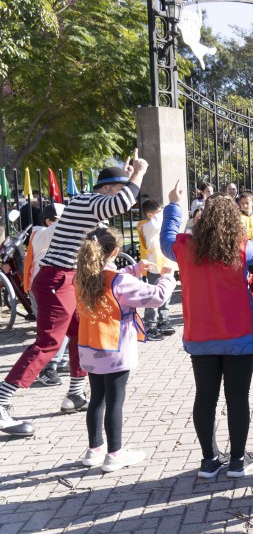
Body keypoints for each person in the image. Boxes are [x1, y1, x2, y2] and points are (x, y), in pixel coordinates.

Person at [1, 157, 148, 438]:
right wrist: (138, 174)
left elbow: (118, 203)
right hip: (57, 279)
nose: (122, 196)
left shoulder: (91, 206)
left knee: (82, 334)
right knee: (48, 343)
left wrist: (127, 178)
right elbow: (122, 203)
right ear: (106, 190)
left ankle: (75, 395)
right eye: (118, 189)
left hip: (68, 279)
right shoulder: (88, 202)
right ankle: (2, 400)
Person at [160, 181, 253, 478]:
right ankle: (238, 460)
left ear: (202, 219)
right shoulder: (242, 248)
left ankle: (208, 460)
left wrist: (174, 205)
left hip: (201, 336)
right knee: (237, 398)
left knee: (205, 397)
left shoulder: (184, 247)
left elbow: (166, 239)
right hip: (239, 334)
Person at [75, 227, 176, 472]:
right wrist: (167, 275)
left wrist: (133, 270)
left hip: (89, 346)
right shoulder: (119, 281)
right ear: (116, 252)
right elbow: (157, 296)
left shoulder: (81, 277)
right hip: (114, 349)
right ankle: (115, 453)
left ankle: (94, 449)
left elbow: (108, 278)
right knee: (115, 401)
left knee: (97, 398)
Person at [24, 203, 67, 387]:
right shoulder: (41, 233)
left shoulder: (53, 235)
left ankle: (61, 359)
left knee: (68, 326)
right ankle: (47, 368)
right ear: (49, 221)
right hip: (44, 289)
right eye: (60, 221)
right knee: (54, 329)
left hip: (57, 287)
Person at [137, 199, 177, 341]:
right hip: (154, 267)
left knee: (166, 295)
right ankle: (150, 325)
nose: (162, 215)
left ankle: (163, 320)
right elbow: (158, 222)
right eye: (159, 212)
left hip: (165, 265)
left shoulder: (157, 224)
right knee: (153, 296)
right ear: (149, 215)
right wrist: (173, 205)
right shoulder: (147, 226)